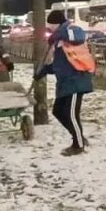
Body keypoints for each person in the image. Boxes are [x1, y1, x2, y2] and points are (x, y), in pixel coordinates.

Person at [36, 9, 96, 156]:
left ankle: (78, 145)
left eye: (51, 25)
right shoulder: (58, 41)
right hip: (65, 82)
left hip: (76, 79)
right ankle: (78, 136)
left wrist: (56, 35)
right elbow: (61, 64)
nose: (49, 29)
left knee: (71, 114)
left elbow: (80, 36)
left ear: (57, 24)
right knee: (58, 111)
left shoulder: (72, 29)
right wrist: (45, 70)